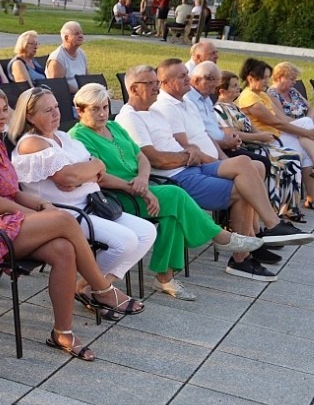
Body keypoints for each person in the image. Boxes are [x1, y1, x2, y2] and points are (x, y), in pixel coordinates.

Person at [0, 85, 144, 359]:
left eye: (5, 109)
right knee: (63, 220)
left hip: (6, 219)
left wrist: (39, 204)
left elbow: (13, 191)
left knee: (64, 249)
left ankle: (62, 332)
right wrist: (36, 215)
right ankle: (102, 289)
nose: (2, 116)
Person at [68, 80, 263, 302]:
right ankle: (220, 237)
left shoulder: (113, 127)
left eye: (105, 107)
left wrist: (142, 179)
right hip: (117, 196)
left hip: (142, 187)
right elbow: (97, 176)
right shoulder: (78, 137)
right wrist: (137, 188)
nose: (102, 113)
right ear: (80, 110)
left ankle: (165, 278)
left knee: (173, 214)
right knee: (175, 195)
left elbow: (141, 156)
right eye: (95, 109)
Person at [132, 60, 312, 282]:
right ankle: (245, 253)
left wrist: (215, 158)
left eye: (187, 74)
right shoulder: (160, 109)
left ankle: (263, 233)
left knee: (247, 164)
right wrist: (192, 156)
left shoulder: (169, 107)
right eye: (181, 76)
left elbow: (199, 139)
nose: (187, 79)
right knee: (245, 182)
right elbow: (157, 157)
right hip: (179, 174)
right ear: (165, 82)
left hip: (195, 164)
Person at [11, 86, 156, 309]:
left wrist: (91, 169)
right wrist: (88, 170)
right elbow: (68, 178)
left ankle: (88, 286)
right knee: (125, 241)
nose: (55, 113)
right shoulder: (32, 143)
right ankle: (100, 290)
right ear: (30, 116)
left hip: (93, 204)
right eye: (47, 110)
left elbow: (98, 171)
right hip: (65, 213)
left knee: (147, 232)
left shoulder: (62, 137)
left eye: (56, 107)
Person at [237, 58, 314, 214]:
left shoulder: (262, 94)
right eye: (264, 78)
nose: (267, 82)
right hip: (267, 140)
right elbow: (277, 123)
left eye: (267, 78)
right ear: (250, 78)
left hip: (278, 135)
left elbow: (282, 118)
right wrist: (308, 132)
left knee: (307, 129)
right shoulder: (249, 98)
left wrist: (306, 126)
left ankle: (312, 193)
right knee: (303, 148)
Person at [215, 70, 304, 223]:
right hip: (243, 147)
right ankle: (272, 211)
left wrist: (263, 137)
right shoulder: (218, 110)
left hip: (255, 144)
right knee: (277, 161)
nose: (238, 89)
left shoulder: (234, 107)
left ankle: (289, 208)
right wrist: (259, 137)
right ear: (222, 90)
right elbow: (233, 134)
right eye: (234, 86)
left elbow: (253, 129)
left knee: (293, 156)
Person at [268, 61, 314, 192]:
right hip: (290, 130)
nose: (294, 82)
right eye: (292, 79)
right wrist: (306, 124)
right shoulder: (272, 94)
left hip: (306, 129)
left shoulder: (293, 91)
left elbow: (310, 108)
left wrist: (310, 122)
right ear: (280, 77)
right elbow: (281, 118)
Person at [45, 21, 88, 88]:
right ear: (66, 38)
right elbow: (58, 88)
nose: (81, 36)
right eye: (76, 34)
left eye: (82, 33)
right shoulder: (57, 59)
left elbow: (86, 78)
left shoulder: (81, 54)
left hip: (83, 93)